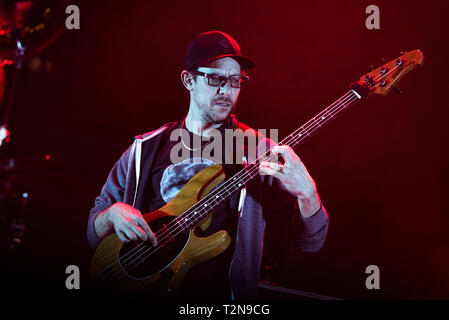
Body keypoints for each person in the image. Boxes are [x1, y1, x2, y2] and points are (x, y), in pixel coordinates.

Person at [88, 31, 329, 300]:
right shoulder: (145, 148)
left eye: (236, 81)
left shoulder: (260, 153)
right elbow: (94, 231)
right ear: (188, 79)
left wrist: (309, 195)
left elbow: (310, 244)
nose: (227, 90)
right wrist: (111, 215)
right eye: (215, 78)